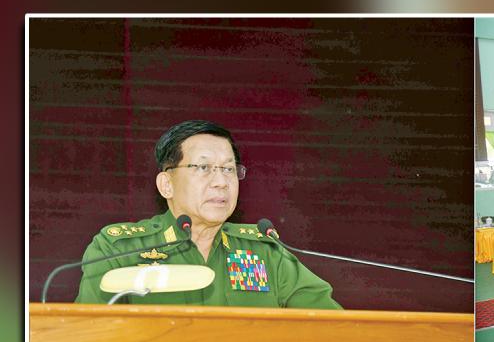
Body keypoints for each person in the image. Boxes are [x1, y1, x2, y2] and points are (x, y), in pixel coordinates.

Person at [75, 120, 340, 308]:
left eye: (228, 169)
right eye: (203, 168)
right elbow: (87, 334)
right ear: (166, 184)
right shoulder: (120, 248)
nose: (221, 182)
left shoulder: (265, 251)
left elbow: (332, 326)